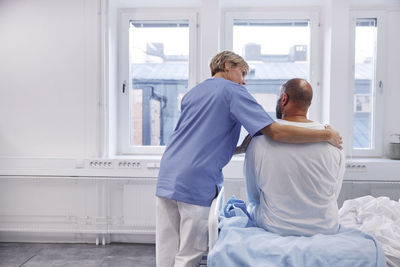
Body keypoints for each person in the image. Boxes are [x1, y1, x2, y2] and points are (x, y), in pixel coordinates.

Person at [155, 52, 342, 267]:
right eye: (242, 73)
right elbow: (276, 132)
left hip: (168, 173)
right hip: (196, 180)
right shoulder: (233, 91)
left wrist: (239, 149)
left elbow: (197, 143)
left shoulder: (192, 93)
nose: (244, 80)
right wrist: (326, 135)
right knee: (189, 252)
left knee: (166, 249)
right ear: (227, 66)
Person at [244, 78, 346, 237]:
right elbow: (333, 194)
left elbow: (253, 196)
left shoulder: (259, 142)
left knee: (252, 207)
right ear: (309, 104)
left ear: (283, 99)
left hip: (276, 227)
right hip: (326, 227)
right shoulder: (334, 141)